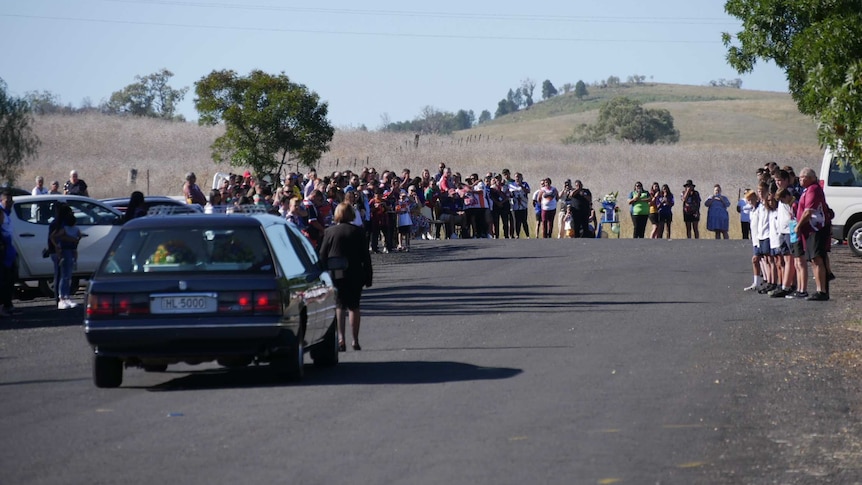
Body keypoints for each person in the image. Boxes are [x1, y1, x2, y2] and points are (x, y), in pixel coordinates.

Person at [318, 202, 373, 352]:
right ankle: (355, 339)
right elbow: (365, 257)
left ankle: (341, 338)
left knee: (339, 306)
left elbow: (322, 255)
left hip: (336, 273)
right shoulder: (358, 231)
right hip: (355, 273)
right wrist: (369, 275)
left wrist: (321, 275)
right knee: (354, 306)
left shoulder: (329, 232)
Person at [795, 167, 831, 301]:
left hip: (817, 228)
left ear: (810, 178)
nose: (800, 179)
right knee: (813, 259)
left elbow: (808, 211)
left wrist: (798, 225)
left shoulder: (813, 189)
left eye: (802, 177)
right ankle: (819, 288)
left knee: (817, 258)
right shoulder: (807, 190)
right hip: (810, 230)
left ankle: (822, 290)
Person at [51, 206, 82, 309]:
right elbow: (54, 236)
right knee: (64, 276)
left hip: (69, 251)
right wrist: (58, 247)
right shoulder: (63, 227)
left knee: (67, 276)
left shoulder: (70, 228)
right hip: (65, 251)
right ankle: (62, 298)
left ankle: (66, 296)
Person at [0, 190, 17, 317]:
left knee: (10, 279)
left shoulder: (7, 214)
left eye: (11, 201)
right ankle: (3, 307)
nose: (10, 203)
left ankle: (8, 305)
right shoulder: (1, 213)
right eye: (7, 201)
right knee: (3, 280)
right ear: (2, 201)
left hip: (9, 250)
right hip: (3, 250)